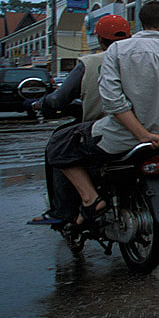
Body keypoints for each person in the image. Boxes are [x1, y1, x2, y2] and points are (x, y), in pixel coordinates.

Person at [46, 1, 159, 227]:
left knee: (59, 143)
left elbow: (112, 101)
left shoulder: (118, 50)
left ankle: (90, 199)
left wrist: (143, 134)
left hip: (126, 137)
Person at [27, 15, 131, 225]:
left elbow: (58, 99)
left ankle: (66, 209)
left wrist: (38, 104)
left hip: (100, 129)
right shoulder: (140, 59)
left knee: (59, 146)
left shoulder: (89, 63)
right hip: (142, 127)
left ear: (99, 38)